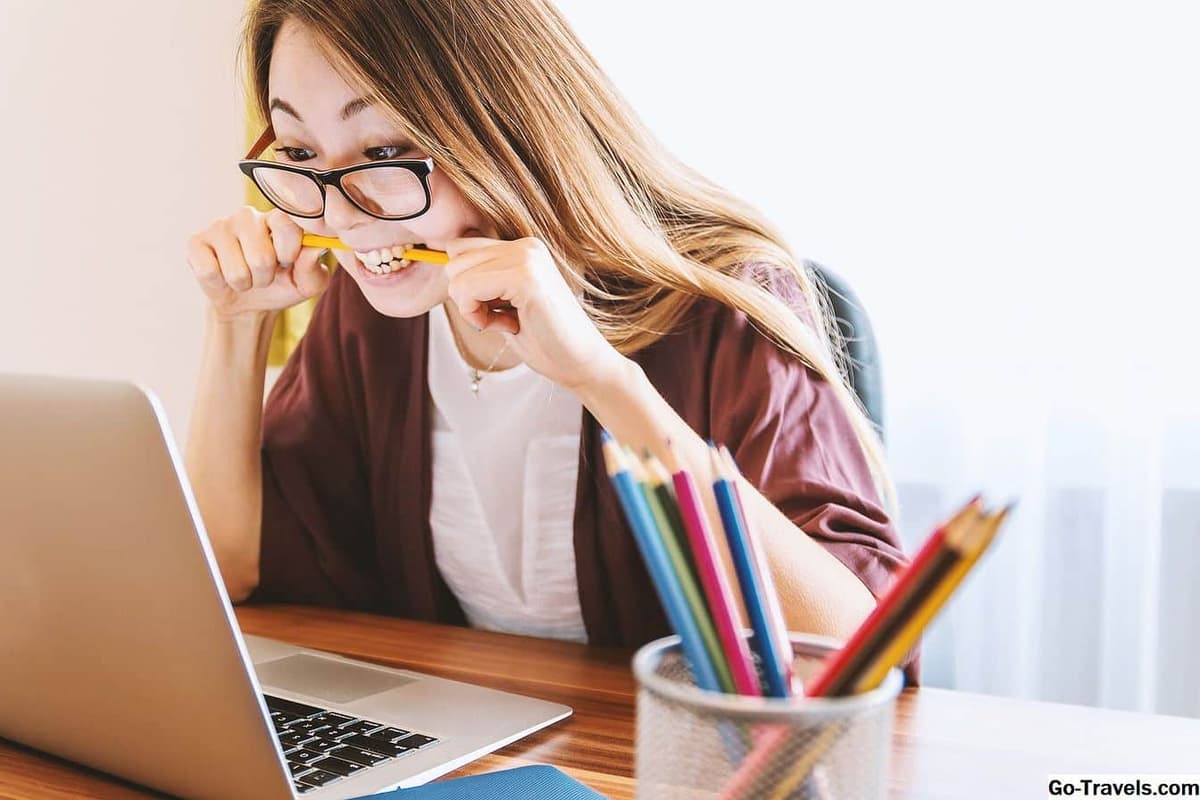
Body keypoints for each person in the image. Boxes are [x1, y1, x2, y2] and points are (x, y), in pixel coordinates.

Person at [184, 0, 910, 660]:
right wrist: (236, 325)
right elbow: (229, 566)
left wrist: (600, 377)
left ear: (505, 127)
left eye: (384, 153)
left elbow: (859, 653)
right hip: (473, 750)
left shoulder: (726, 301)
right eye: (301, 154)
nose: (339, 216)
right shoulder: (377, 310)